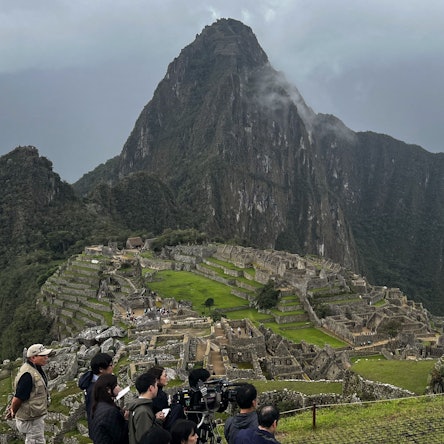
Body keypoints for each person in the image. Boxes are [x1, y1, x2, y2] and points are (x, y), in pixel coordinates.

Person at [6, 343, 53, 444]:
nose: (46, 357)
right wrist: (13, 411)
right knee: (36, 441)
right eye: (43, 355)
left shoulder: (35, 369)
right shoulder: (28, 374)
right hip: (30, 420)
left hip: (33, 416)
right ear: (33, 357)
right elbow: (18, 397)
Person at [78, 352, 120, 436]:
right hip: (102, 431)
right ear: (101, 369)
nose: (113, 367)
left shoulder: (101, 382)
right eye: (110, 365)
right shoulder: (94, 388)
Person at [89, 374, 128, 444]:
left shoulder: (97, 406)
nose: (119, 387)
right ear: (108, 390)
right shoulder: (110, 411)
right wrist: (126, 419)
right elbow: (120, 437)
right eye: (116, 385)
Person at [127, 372, 163, 444]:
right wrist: (158, 421)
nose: (157, 388)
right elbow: (145, 438)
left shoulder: (137, 406)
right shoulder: (143, 411)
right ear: (151, 388)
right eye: (156, 385)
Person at [146, 364, 185, 430]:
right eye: (165, 376)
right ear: (157, 379)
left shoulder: (150, 392)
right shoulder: (159, 395)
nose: (167, 378)